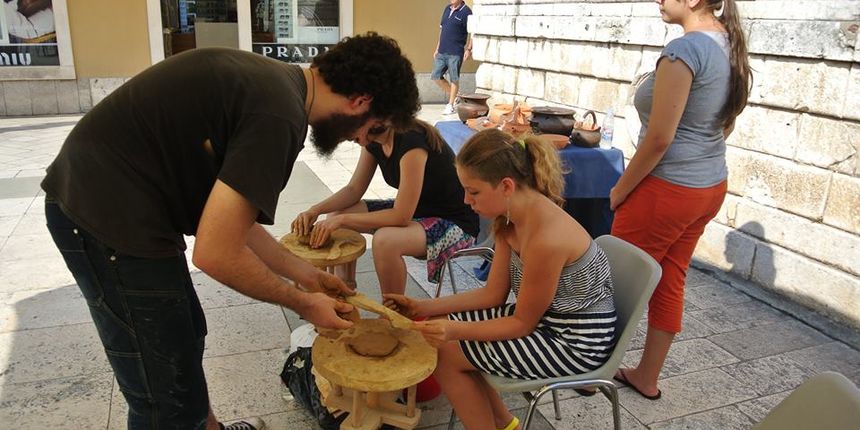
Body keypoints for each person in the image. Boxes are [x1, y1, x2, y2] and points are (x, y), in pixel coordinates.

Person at [41, 32, 419, 430]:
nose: (359, 138)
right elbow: (215, 252)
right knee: (164, 397)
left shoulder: (276, 85)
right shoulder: (278, 115)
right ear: (360, 101)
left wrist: (307, 276)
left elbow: (233, 225)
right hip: (105, 218)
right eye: (373, 127)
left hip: (123, 207)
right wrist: (303, 303)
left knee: (184, 339)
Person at [385, 129, 618, 430]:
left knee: (445, 352)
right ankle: (506, 424)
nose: (466, 200)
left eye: (474, 191)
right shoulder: (510, 219)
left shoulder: (546, 238)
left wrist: (454, 330)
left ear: (506, 185)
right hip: (548, 319)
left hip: (576, 340)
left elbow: (522, 323)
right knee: (442, 323)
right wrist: (423, 307)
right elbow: (494, 294)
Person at [609, 0, 751, 400]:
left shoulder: (684, 50)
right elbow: (724, 123)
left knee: (619, 281)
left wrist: (622, 190)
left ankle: (589, 373)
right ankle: (646, 376)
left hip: (666, 189)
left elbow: (659, 138)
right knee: (669, 278)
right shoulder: (728, 42)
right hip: (708, 186)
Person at [292, 118, 478, 295]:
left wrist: (343, 220)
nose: (348, 134)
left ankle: (393, 315)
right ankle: (343, 292)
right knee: (335, 215)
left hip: (454, 221)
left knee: (385, 240)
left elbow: (401, 216)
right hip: (418, 211)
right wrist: (314, 210)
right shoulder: (373, 141)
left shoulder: (411, 140)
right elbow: (353, 189)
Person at [432, 0, 472, 115]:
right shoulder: (447, 9)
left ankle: (450, 105)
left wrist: (468, 49)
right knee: (436, 76)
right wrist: (437, 48)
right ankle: (457, 96)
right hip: (442, 50)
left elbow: (472, 32)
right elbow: (442, 29)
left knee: (454, 78)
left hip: (455, 51)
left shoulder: (466, 12)